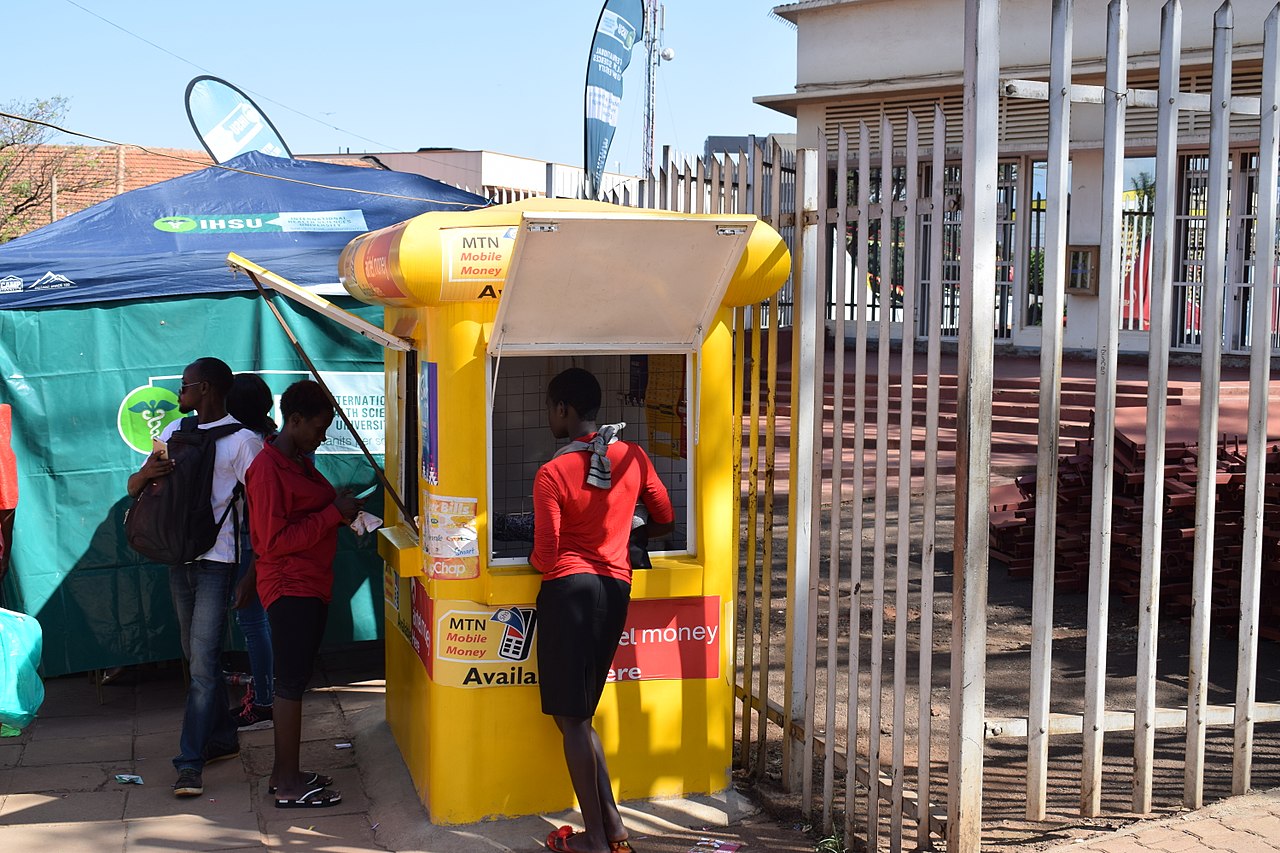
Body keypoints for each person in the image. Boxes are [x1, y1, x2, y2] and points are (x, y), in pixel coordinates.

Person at [533, 368, 674, 853]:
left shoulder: (552, 473)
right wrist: (623, 532)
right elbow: (665, 517)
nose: (549, 415)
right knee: (578, 716)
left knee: (572, 719)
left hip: (568, 593)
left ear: (564, 409)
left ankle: (594, 839)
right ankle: (612, 827)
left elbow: (546, 554)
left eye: (550, 407)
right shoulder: (632, 455)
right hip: (615, 591)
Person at [126, 357, 263, 798]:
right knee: (196, 657)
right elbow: (135, 488)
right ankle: (222, 738)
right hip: (179, 557)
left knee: (202, 664)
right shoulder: (173, 432)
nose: (179, 393)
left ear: (205, 389)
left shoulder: (244, 442)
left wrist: (253, 572)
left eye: (185, 385)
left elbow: (264, 511)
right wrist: (148, 473)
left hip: (219, 562)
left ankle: (189, 762)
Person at [245, 379, 360, 808]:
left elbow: (308, 512)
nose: (322, 437)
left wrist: (337, 509)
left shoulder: (298, 463)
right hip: (289, 586)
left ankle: (283, 774)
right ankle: (291, 787)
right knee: (290, 684)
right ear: (294, 420)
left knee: (296, 680)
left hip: (310, 582)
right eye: (318, 427)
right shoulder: (267, 469)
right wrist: (332, 514)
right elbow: (272, 542)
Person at [226, 373, 277, 731]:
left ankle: (264, 703)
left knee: (253, 623)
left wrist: (254, 562)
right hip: (256, 540)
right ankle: (266, 698)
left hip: (252, 541)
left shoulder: (250, 444)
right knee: (260, 623)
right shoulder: (270, 437)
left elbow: (259, 505)